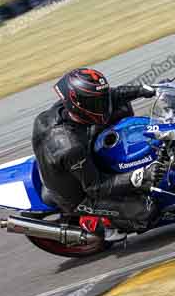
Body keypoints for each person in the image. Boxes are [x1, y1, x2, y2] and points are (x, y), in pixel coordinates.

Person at [32, 68, 164, 241]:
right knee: (148, 209)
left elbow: (110, 94)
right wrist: (140, 175)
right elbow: (95, 187)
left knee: (120, 108)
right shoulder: (70, 146)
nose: (103, 106)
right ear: (76, 104)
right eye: (96, 104)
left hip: (72, 163)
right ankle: (98, 224)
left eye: (101, 101)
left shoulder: (64, 108)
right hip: (81, 196)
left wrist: (143, 90)